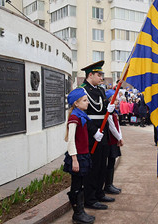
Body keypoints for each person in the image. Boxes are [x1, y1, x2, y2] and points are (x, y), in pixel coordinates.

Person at [79, 60, 116, 210]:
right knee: (93, 167)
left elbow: (104, 110)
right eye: (99, 74)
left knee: (102, 165)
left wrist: (110, 108)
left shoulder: (100, 90)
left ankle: (100, 193)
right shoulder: (81, 91)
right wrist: (94, 132)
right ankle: (90, 198)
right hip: (91, 133)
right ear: (90, 75)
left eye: (102, 75)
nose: (102, 77)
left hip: (103, 132)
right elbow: (82, 115)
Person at [64, 88, 95, 224]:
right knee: (76, 185)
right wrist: (75, 159)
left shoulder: (82, 116)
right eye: (84, 100)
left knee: (81, 184)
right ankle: (77, 214)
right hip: (77, 157)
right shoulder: (74, 118)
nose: (87, 102)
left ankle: (80, 211)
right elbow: (71, 140)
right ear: (76, 103)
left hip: (83, 155)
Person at [104, 89, 123, 195]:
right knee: (109, 163)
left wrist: (120, 137)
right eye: (115, 99)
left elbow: (118, 126)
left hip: (115, 140)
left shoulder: (114, 112)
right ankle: (107, 185)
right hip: (110, 141)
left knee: (112, 162)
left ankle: (110, 183)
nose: (117, 101)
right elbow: (112, 127)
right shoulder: (109, 112)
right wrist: (119, 138)